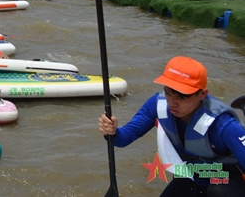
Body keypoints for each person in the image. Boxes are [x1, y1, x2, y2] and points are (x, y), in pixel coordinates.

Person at [98, 57, 245, 196]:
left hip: (226, 180)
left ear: (202, 94)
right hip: (192, 177)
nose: (172, 102)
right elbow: (124, 139)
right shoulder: (157, 104)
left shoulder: (223, 125)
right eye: (168, 93)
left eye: (181, 97)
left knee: (217, 190)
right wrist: (112, 131)